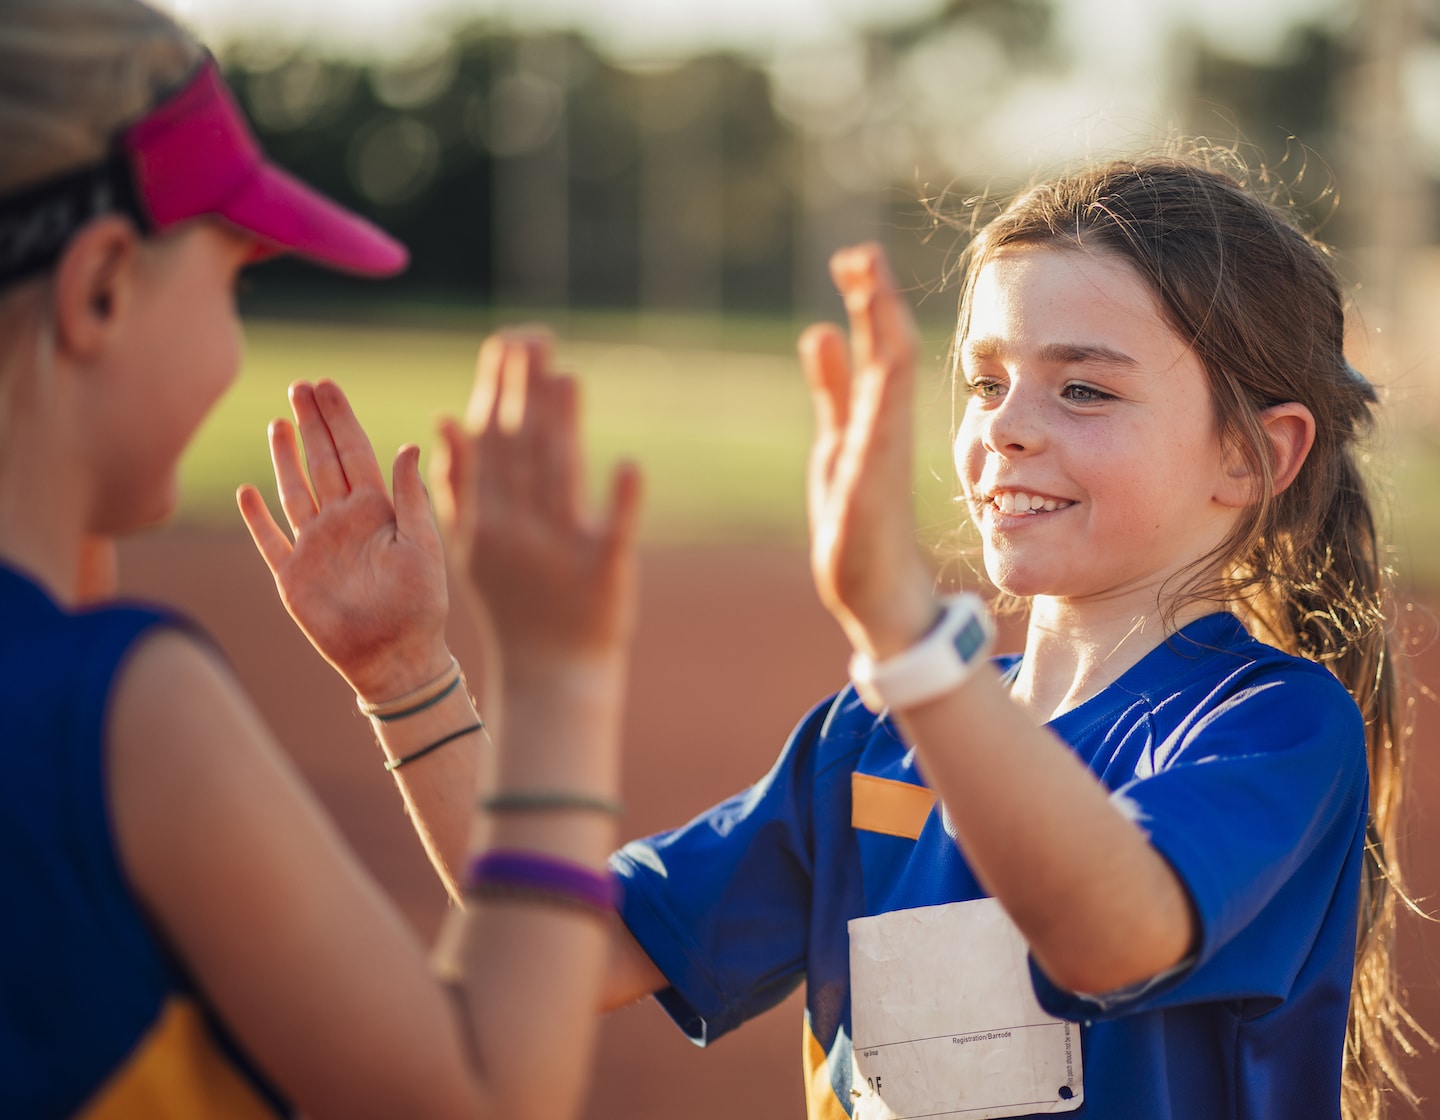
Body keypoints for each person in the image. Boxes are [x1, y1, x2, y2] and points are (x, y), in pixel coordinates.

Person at [261, 154, 1420, 1119]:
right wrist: (406, 675)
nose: (1006, 429)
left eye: (1085, 391)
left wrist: (912, 646)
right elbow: (568, 950)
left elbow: (1107, 933)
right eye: (984, 380)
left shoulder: (1269, 726)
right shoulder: (871, 732)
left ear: (1256, 456)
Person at [0, 3, 641, 1119]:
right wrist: (557, 675)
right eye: (232, 284)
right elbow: (482, 1098)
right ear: (101, 288)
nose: (237, 334)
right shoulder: (118, 707)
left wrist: (406, 675)